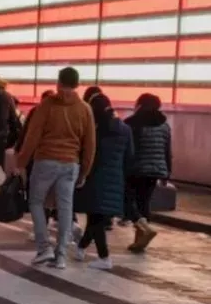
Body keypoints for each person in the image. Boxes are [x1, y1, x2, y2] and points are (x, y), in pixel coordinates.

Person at [14, 67, 96, 269]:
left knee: (35, 202)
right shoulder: (85, 109)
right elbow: (90, 144)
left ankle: (43, 248)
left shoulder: (47, 105)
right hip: (70, 164)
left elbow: (33, 136)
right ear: (77, 84)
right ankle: (60, 256)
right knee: (65, 208)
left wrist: (21, 164)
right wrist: (84, 171)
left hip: (45, 161)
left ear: (58, 82)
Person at [71, 94, 133, 271]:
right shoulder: (125, 129)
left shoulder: (95, 129)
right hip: (115, 179)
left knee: (96, 219)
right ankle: (81, 248)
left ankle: (104, 257)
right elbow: (130, 156)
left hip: (95, 177)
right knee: (96, 218)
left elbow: (87, 154)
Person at [124, 93, 171, 252]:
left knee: (127, 201)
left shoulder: (133, 123)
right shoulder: (164, 125)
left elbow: (129, 149)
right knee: (144, 202)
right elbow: (167, 150)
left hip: (136, 169)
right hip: (156, 170)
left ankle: (144, 231)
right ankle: (139, 240)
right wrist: (167, 173)